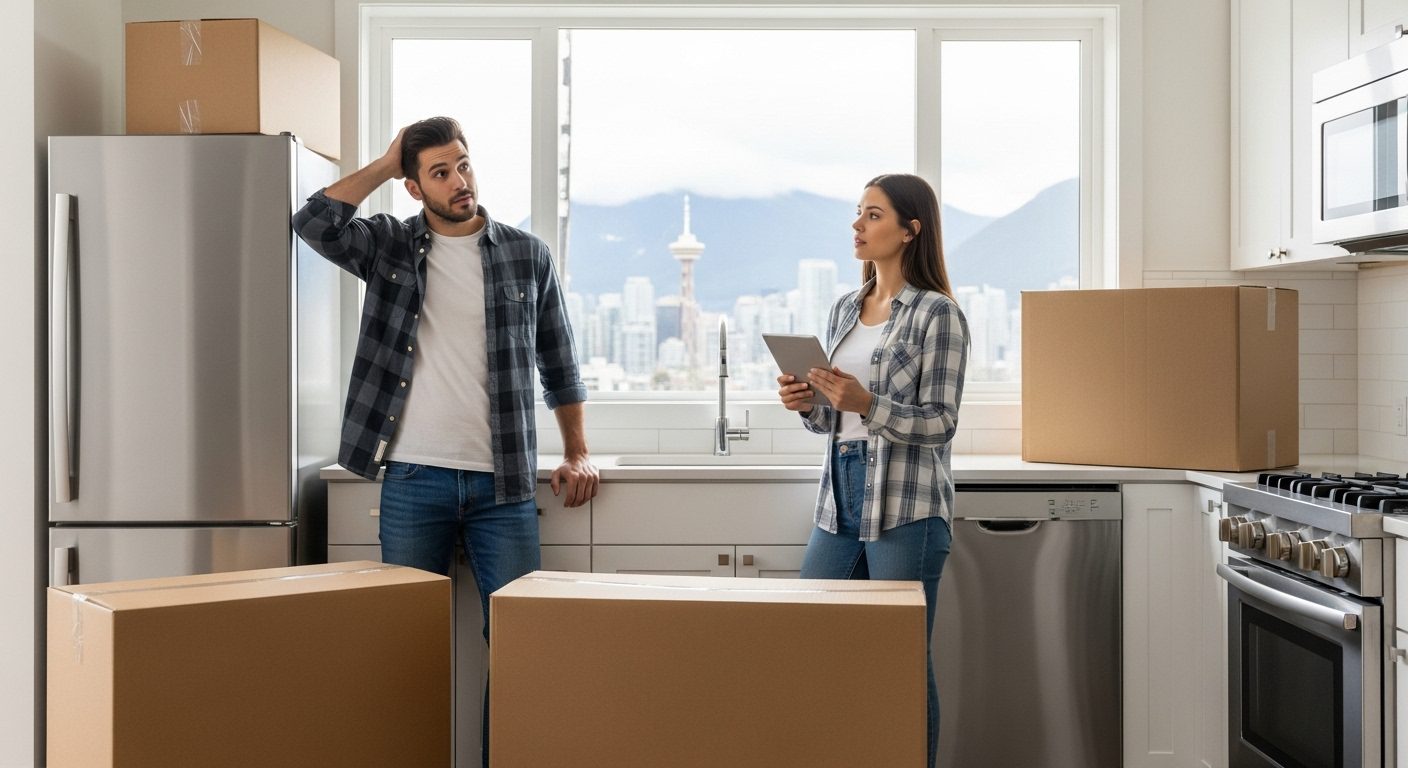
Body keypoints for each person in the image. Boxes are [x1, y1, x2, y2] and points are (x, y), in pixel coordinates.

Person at [293, 116, 598, 762]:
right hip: (411, 480)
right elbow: (313, 221)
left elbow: (559, 363)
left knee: (520, 646)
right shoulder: (389, 247)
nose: (460, 181)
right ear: (413, 188)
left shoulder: (525, 254)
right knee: (409, 648)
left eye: (463, 164)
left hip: (504, 485)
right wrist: (384, 163)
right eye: (439, 172)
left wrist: (576, 450)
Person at [776, 173, 967, 768]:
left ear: (911, 231)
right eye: (859, 213)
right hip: (839, 497)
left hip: (906, 507)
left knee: (900, 659)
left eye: (874, 215)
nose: (858, 225)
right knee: (813, 643)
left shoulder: (939, 316)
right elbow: (833, 423)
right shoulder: (843, 309)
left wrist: (868, 404)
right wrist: (809, 403)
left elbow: (940, 423)